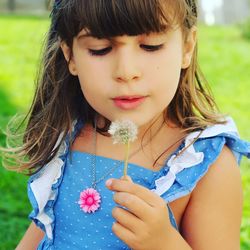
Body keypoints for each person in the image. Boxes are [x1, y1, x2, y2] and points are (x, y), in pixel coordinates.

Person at [2, 0, 250, 249]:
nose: (126, 71)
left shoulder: (204, 163)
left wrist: (164, 243)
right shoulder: (69, 133)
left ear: (187, 47)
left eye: (151, 46)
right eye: (100, 49)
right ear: (70, 55)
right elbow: (44, 229)